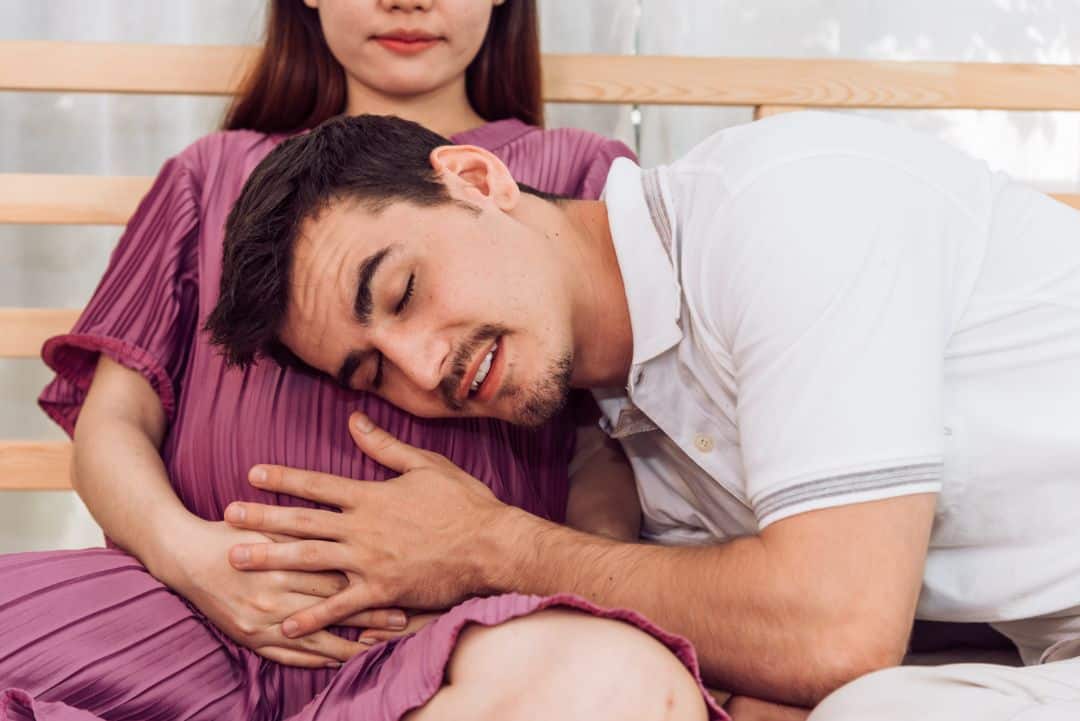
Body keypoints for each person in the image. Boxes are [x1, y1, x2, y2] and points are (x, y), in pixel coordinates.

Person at [207, 109, 1080, 720]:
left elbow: (835, 626)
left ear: (476, 179)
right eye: (372, 374)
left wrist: (489, 547)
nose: (425, 367)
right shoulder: (630, 431)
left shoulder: (783, 209)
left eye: (402, 290)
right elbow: (776, 657)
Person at [0, 2, 726, 720]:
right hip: (187, 621)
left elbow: (615, 443)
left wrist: (542, 589)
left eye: (405, 289)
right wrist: (190, 558)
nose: (405, 1)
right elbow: (113, 422)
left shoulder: (576, 176)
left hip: (450, 644)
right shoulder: (209, 174)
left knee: (604, 678)